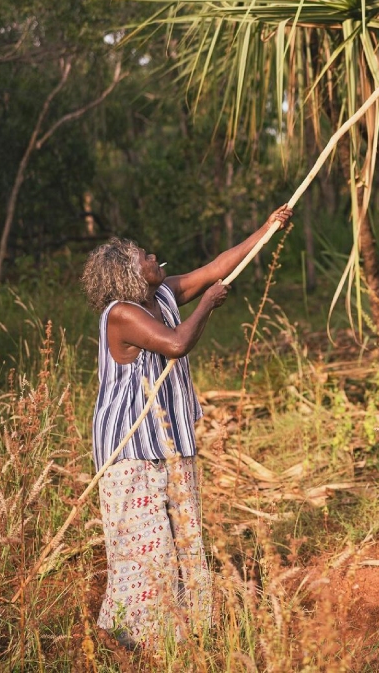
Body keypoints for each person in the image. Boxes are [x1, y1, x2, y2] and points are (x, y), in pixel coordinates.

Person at [81, 204, 292, 647]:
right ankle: (129, 637)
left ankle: (185, 633)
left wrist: (267, 229)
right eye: (143, 256)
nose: (153, 256)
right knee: (146, 549)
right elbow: (177, 344)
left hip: (172, 440)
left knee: (185, 536)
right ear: (127, 273)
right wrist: (210, 304)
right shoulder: (121, 313)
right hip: (130, 448)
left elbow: (217, 267)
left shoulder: (160, 296)